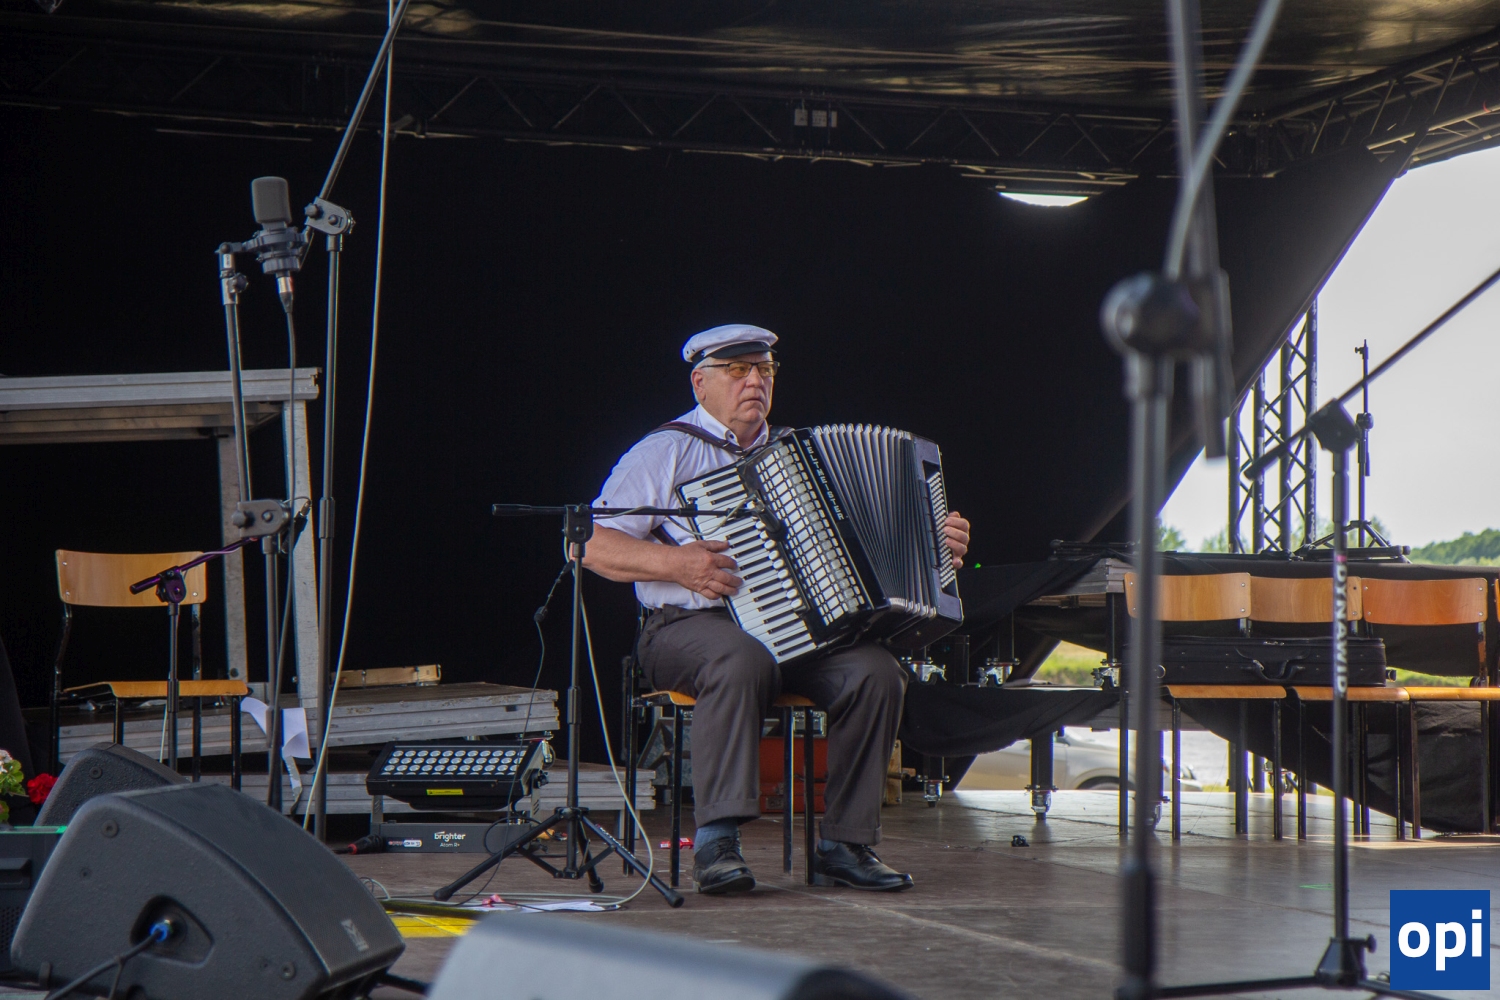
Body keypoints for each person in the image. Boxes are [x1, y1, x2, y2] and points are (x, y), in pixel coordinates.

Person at [584, 324, 970, 895]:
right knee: (741, 660)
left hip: (799, 629)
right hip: (687, 628)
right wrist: (676, 564)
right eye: (737, 370)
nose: (755, 382)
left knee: (876, 672)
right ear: (700, 383)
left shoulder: (800, 453)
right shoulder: (665, 450)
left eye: (764, 370)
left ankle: (844, 843)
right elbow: (590, 543)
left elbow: (874, 542)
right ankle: (717, 842)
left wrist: (936, 544)